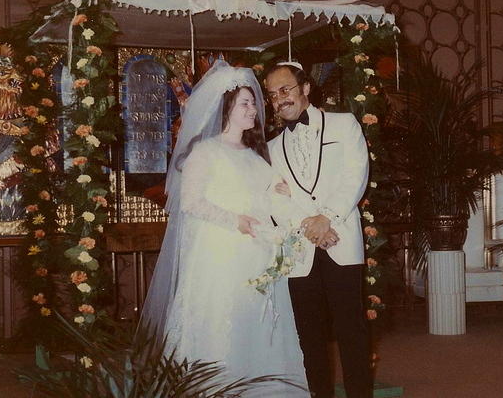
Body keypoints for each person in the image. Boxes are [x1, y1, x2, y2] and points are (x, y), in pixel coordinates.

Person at [140, 60, 309, 397]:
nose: (254, 108)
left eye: (253, 102)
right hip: (219, 256)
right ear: (226, 107)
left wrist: (285, 201)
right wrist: (236, 221)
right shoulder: (205, 151)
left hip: (257, 255)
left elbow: (270, 201)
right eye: (245, 103)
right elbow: (191, 203)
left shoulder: (256, 155)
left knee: (256, 326)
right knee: (221, 326)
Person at [265, 62, 372, 398]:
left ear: (306, 88)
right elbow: (275, 200)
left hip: (341, 240)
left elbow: (356, 175)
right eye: (272, 95)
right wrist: (310, 228)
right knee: (310, 339)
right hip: (300, 252)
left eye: (285, 90)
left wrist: (326, 217)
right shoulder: (271, 148)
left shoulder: (344, 124)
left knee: (351, 332)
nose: (279, 99)